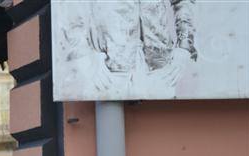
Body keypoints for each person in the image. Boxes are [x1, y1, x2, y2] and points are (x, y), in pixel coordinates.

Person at [59, 0, 197, 98]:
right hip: (108, 70)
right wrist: (83, 55)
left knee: (162, 131)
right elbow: (69, 7)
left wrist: (185, 46)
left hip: (159, 70)